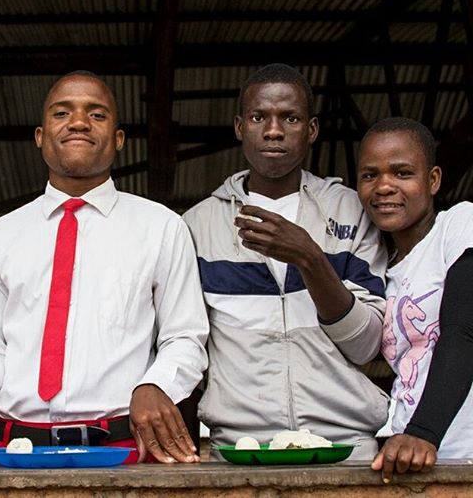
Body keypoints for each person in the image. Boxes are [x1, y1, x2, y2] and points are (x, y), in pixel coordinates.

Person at [0, 71, 209, 464]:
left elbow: (185, 338)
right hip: (9, 451)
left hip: (121, 449)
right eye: (62, 113)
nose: (78, 122)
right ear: (40, 137)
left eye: (97, 114)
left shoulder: (162, 228)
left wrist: (155, 385)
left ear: (119, 139)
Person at [182, 63, 389, 459]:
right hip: (240, 449)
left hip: (347, 446)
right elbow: (186, 346)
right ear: (240, 126)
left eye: (290, 118)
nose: (274, 130)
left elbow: (366, 345)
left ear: (310, 130)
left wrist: (311, 259)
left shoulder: (351, 211)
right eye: (260, 117)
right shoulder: (197, 226)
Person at [357, 117, 473, 482]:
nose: (384, 187)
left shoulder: (459, 225)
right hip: (408, 457)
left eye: (402, 173)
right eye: (369, 175)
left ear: (433, 180)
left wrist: (424, 432)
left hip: (459, 452)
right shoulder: (379, 272)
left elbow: (464, 330)